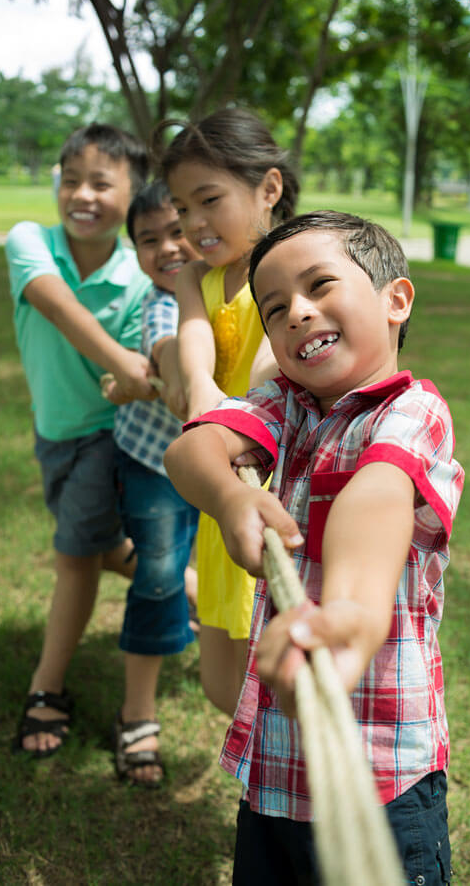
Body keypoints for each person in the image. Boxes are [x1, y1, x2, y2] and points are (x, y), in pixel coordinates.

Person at [164, 210, 465, 885]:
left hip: (382, 776)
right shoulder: (285, 403)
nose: (297, 312)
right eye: (275, 308)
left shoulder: (413, 412)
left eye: (320, 285)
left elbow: (375, 495)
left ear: (396, 299)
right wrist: (231, 494)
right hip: (274, 771)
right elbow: (193, 449)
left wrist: (352, 614)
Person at [6, 123, 155, 759]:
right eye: (71, 181)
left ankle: (47, 689)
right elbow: (52, 301)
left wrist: (130, 374)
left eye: (102, 182)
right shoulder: (28, 240)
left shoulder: (138, 278)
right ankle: (184, 587)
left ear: (134, 192)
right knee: (94, 546)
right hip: (54, 432)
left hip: (104, 434)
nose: (82, 195)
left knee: (73, 557)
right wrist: (123, 362)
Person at [155, 107, 299, 715]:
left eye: (209, 199)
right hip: (225, 489)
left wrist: (247, 401)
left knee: (280, 681)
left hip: (283, 487)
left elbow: (276, 353)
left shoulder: (291, 259)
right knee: (222, 686)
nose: (193, 223)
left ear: (268, 188)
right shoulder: (197, 277)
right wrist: (196, 385)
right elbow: (193, 336)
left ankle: (292, 793)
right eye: (183, 208)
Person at [107, 179, 201, 787]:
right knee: (160, 573)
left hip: (213, 463)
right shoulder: (161, 303)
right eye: (149, 240)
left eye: (178, 230)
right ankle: (136, 714)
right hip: (154, 461)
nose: (168, 248)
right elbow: (166, 347)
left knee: (191, 567)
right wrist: (176, 382)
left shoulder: (226, 289)